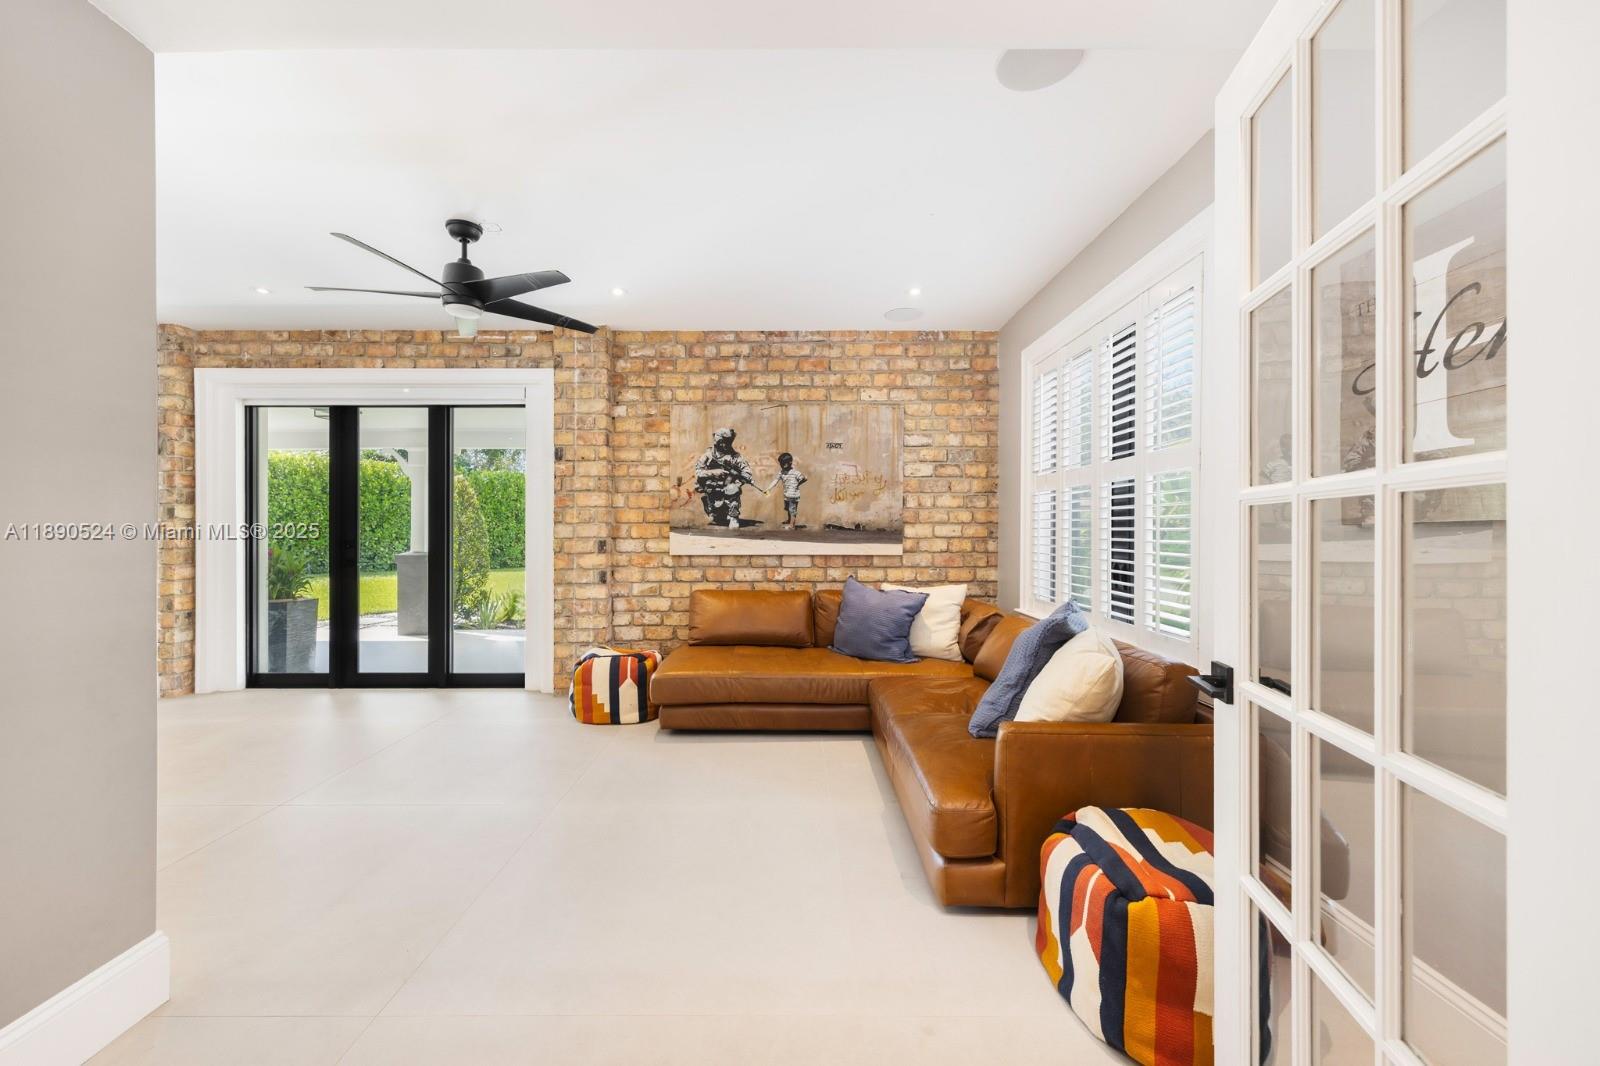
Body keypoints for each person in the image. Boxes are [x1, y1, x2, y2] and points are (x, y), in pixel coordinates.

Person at [692, 427, 756, 528]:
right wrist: (714, 472)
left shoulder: (735, 457)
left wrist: (736, 481)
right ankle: (713, 510)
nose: (724, 445)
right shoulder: (708, 455)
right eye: (722, 442)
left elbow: (747, 472)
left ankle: (733, 516)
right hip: (712, 488)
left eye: (727, 442)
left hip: (727, 488)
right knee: (717, 518)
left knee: (733, 489)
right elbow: (698, 472)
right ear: (717, 441)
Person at [768, 452, 807, 530]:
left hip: (794, 495)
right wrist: (769, 488)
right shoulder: (782, 472)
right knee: (788, 508)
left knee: (792, 510)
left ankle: (792, 525)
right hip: (786, 495)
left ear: (790, 462)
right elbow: (775, 480)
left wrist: (797, 484)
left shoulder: (795, 473)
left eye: (784, 464)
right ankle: (789, 521)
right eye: (781, 464)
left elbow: (804, 478)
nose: (782, 465)